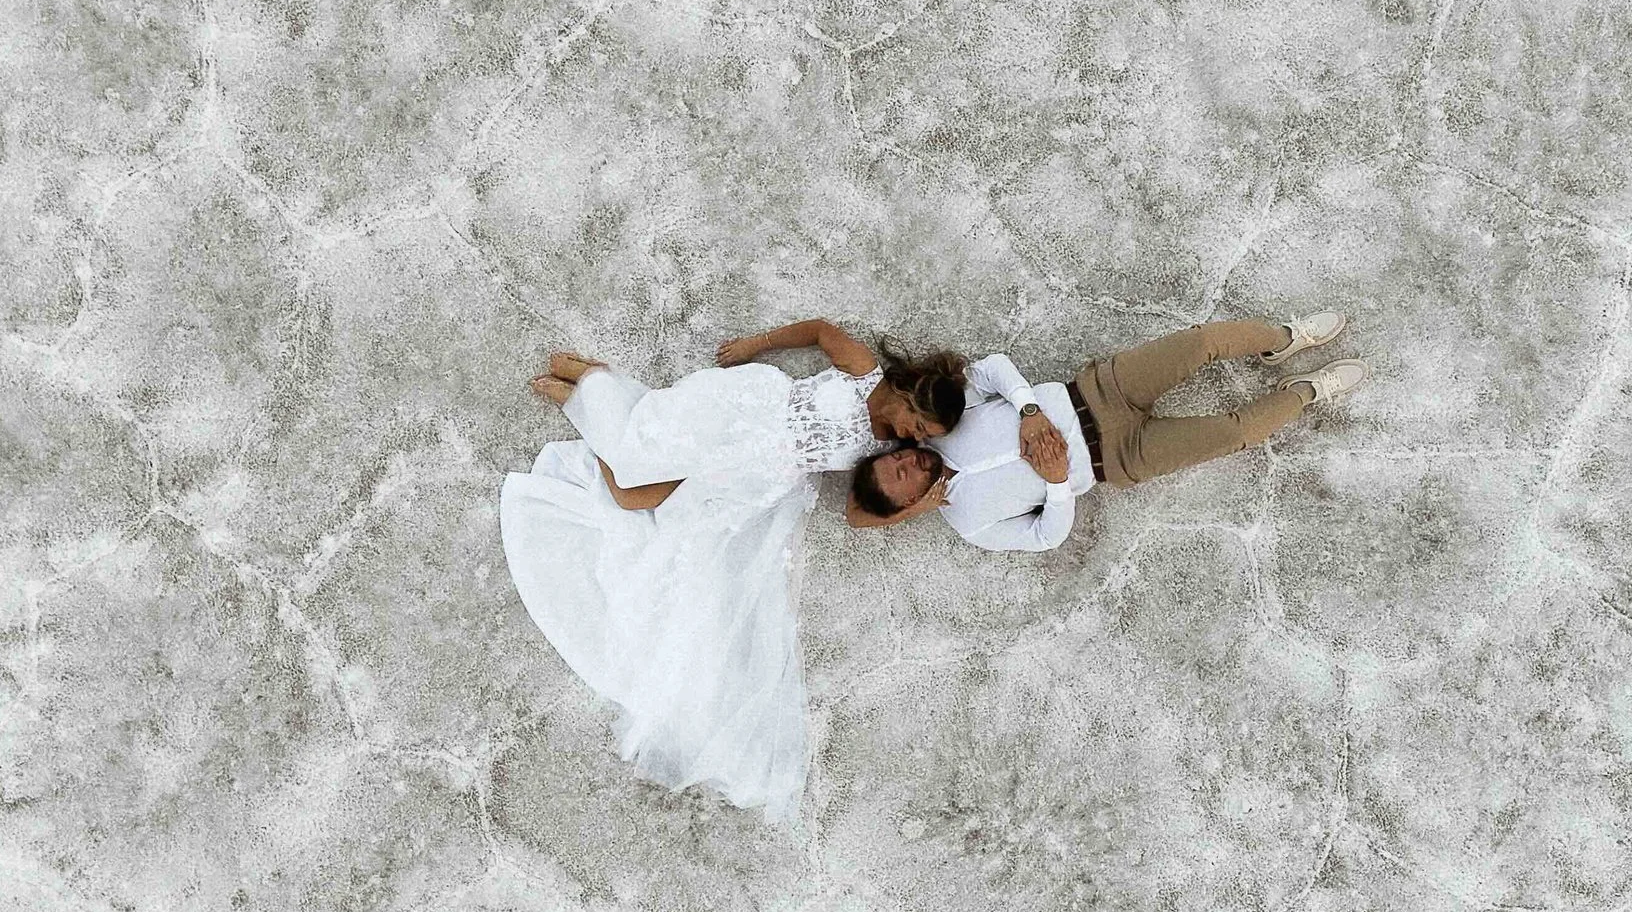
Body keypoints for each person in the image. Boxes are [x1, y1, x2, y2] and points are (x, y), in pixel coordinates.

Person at [498, 320, 964, 821]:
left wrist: (914, 509)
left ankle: (590, 406)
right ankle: (591, 385)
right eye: (921, 427)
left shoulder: (884, 451)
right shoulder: (863, 372)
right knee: (647, 447)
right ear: (911, 396)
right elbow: (820, 331)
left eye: (924, 438)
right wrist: (754, 345)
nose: (916, 439)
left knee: (633, 497)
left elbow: (856, 515)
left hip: (759, 474)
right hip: (752, 413)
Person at [848, 316, 1365, 551]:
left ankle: (1284, 338)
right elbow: (1045, 537)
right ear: (909, 503)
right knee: (1235, 433)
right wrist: (1056, 480)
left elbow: (990, 369)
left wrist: (1029, 410)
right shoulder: (971, 524)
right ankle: (1307, 391)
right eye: (903, 477)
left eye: (896, 459)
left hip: (1098, 391)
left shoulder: (938, 426)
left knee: (1202, 342)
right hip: (1119, 458)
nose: (908, 462)